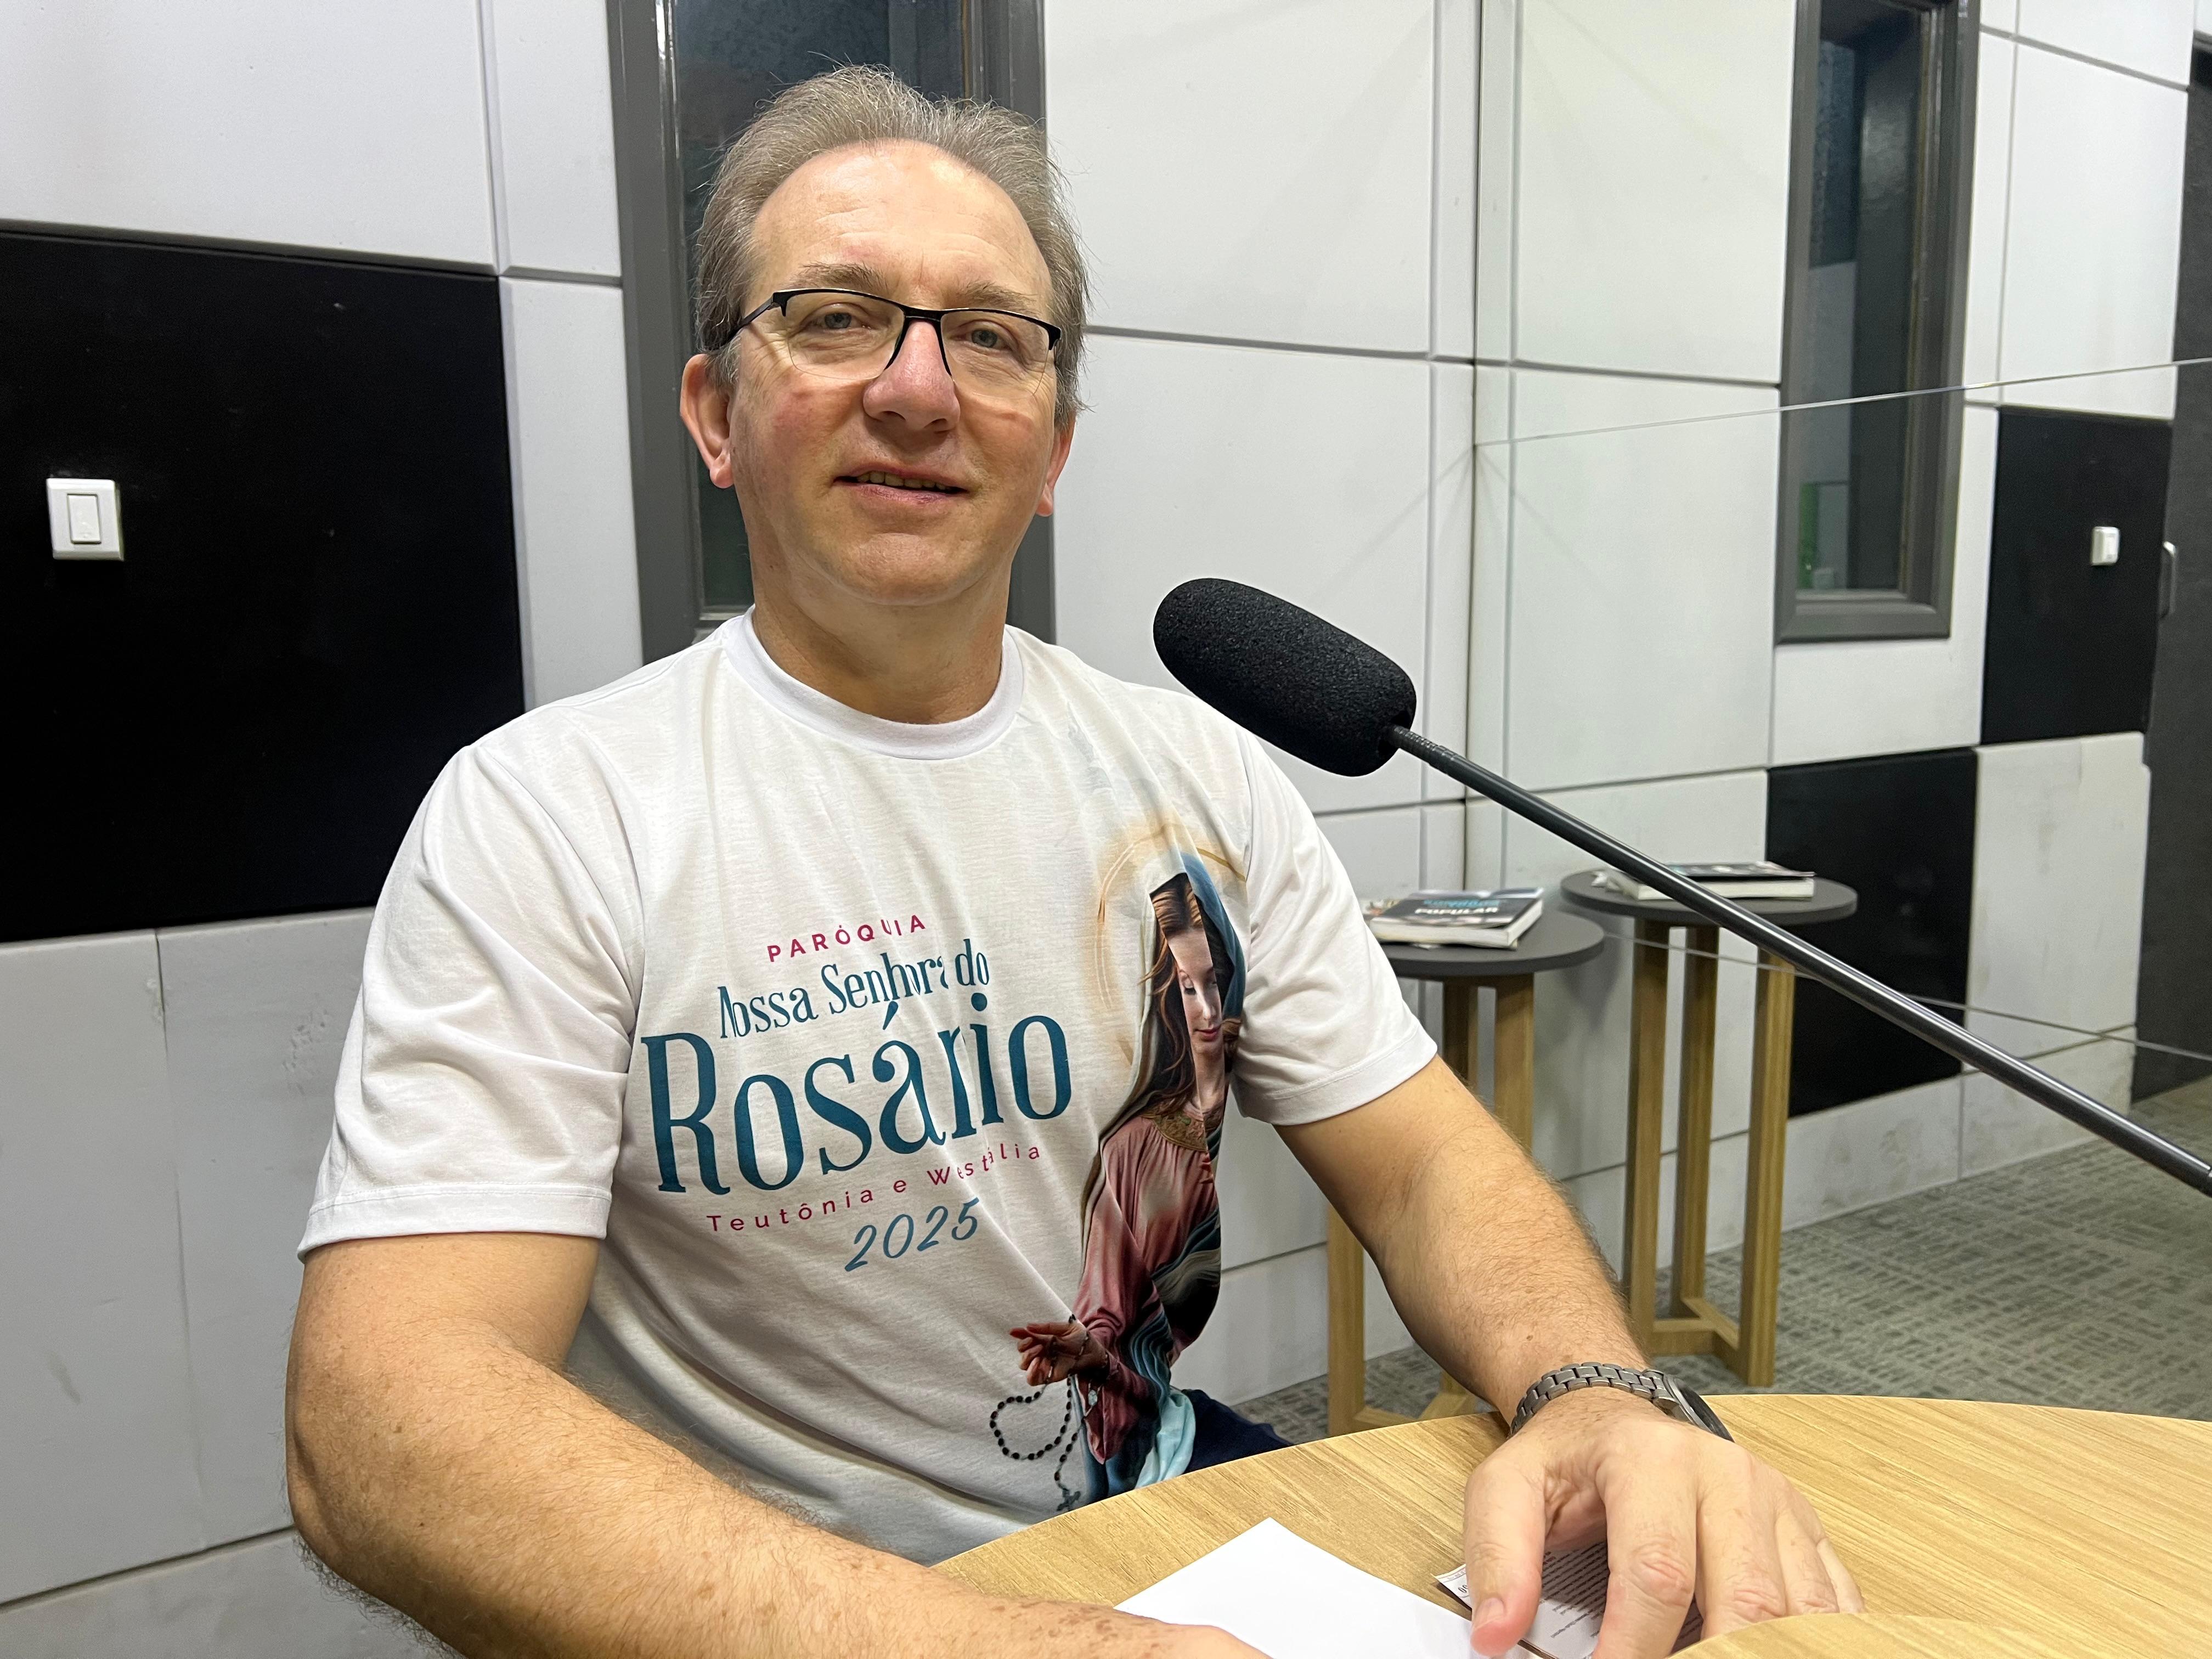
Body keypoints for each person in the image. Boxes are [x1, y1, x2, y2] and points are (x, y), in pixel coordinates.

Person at [285, 65, 1863, 1659]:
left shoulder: (1196, 779)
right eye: (837, 318)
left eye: (991, 337)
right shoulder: (553, 816)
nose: (919, 390)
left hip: (1156, 1521)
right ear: (715, 415)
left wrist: (1592, 1387)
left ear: (1052, 448)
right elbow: (382, 1430)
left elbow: (1422, 1161)